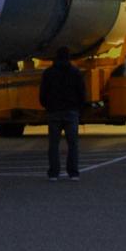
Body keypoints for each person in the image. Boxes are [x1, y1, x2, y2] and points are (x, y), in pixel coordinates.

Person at [39, 46, 86, 181]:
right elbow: (81, 92)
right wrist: (79, 107)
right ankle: (73, 172)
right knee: (73, 144)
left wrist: (48, 106)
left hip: (54, 111)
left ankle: (54, 173)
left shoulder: (48, 73)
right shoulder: (75, 72)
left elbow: (43, 93)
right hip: (71, 111)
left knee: (54, 144)